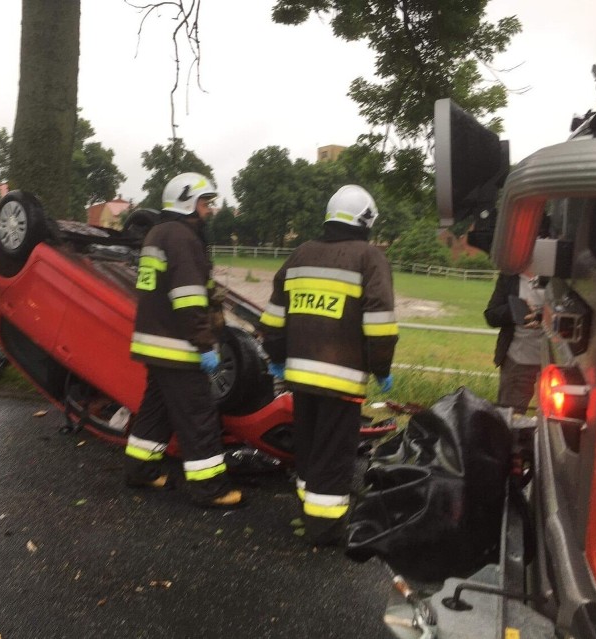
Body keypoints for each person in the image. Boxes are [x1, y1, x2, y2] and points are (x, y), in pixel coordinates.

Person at [258, 185, 399, 546]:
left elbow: (273, 319)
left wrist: (276, 360)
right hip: (342, 381)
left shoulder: (300, 254)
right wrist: (381, 368)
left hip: (299, 379)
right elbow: (380, 324)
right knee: (334, 456)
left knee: (308, 447)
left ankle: (308, 514)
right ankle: (324, 530)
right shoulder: (369, 258)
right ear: (366, 220)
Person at [124, 172, 243, 508]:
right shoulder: (182, 238)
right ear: (188, 202)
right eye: (206, 203)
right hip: (179, 346)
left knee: (155, 412)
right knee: (199, 417)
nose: (209, 210)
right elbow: (188, 300)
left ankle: (141, 469)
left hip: (154, 342)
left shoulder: (157, 234)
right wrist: (205, 345)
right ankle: (211, 490)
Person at [484, 270, 544, 414]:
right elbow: (491, 316)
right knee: (510, 416)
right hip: (518, 361)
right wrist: (516, 308)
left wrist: (542, 317)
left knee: (556, 422)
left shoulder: (562, 274)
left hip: (557, 361)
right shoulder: (509, 276)